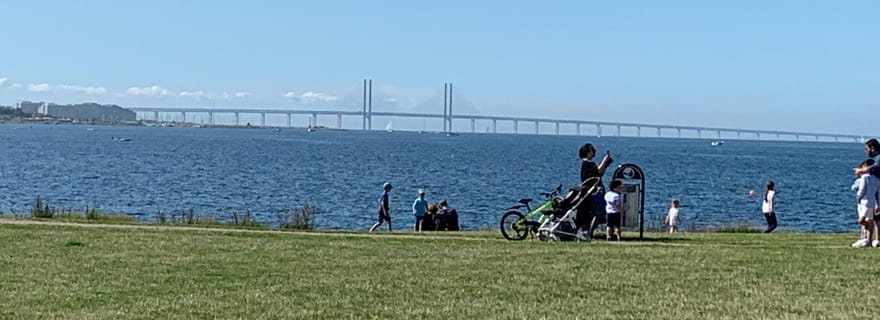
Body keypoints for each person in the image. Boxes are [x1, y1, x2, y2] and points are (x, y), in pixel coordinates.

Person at [575, 143, 614, 241]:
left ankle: (588, 232)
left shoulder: (588, 163)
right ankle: (589, 232)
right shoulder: (587, 163)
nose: (594, 152)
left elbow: (599, 174)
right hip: (594, 191)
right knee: (597, 212)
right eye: (592, 150)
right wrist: (604, 161)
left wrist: (605, 165)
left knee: (597, 213)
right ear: (588, 152)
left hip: (594, 190)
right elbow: (597, 173)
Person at [851, 159, 880, 248]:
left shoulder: (865, 177)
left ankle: (867, 238)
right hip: (871, 202)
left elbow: (861, 190)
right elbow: (877, 193)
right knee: (868, 220)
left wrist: (859, 197)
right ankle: (868, 240)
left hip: (865, 202)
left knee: (862, 220)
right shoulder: (876, 179)